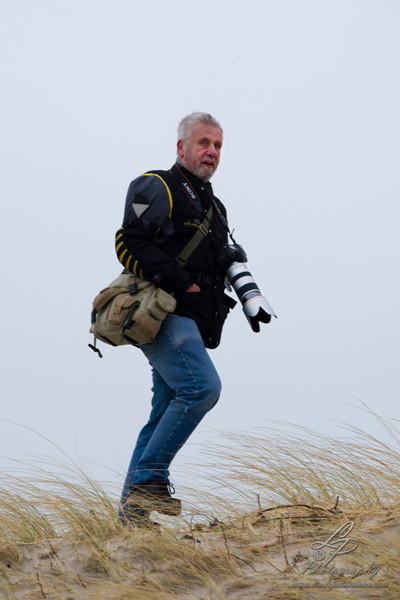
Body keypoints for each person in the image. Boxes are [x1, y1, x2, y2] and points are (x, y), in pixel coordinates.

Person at [115, 112, 238, 526]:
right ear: (181, 147)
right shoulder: (157, 185)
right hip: (163, 314)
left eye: (218, 146)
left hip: (191, 321)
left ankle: (130, 519)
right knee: (202, 388)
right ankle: (149, 479)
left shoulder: (214, 207)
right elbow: (128, 242)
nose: (212, 152)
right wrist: (182, 283)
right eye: (204, 143)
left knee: (165, 407)